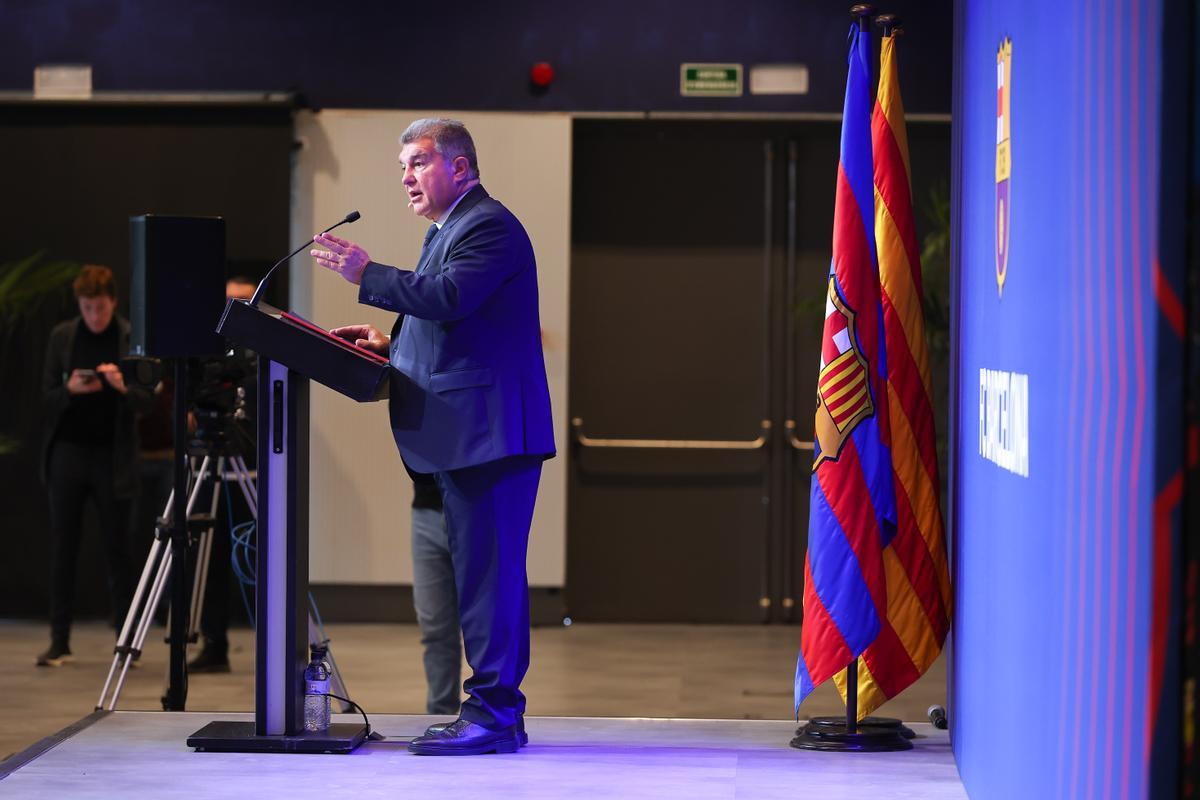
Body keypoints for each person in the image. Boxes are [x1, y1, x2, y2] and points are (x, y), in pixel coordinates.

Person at [311, 118, 554, 755]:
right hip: (471, 436)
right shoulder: (447, 229)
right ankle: (496, 713)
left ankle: (494, 715)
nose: (407, 179)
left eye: (417, 164)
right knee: (481, 576)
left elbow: (447, 296)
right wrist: (390, 347)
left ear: (461, 167)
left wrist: (367, 272)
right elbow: (452, 328)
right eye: (401, 169)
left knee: (489, 579)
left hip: (491, 437)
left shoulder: (488, 225)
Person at [38, 265, 154, 666]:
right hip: (69, 452)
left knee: (118, 549)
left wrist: (122, 386)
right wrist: (70, 389)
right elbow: (46, 397)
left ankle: (125, 641)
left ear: (113, 303)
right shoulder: (63, 337)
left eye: (100, 308)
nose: (94, 317)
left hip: (113, 454)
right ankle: (59, 639)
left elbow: (147, 399)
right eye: (87, 308)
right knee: (62, 547)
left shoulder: (128, 336)